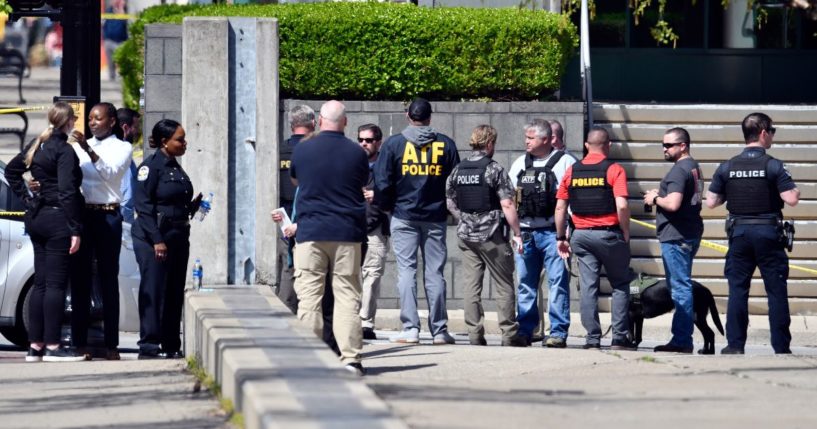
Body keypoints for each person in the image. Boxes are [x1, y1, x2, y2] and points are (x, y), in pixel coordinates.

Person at [705, 113, 800, 355]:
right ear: (763, 132)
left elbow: (711, 202)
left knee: (737, 290)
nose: (773, 136)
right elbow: (791, 199)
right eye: (772, 131)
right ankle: (781, 347)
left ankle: (735, 345)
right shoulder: (774, 165)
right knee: (776, 291)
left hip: (739, 234)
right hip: (768, 232)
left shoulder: (727, 166)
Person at [290, 100, 368, 375]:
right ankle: (351, 359)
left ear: (319, 120)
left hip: (311, 232)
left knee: (309, 297)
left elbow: (297, 181)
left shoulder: (302, 149)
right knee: (347, 296)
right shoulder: (357, 153)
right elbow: (360, 184)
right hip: (347, 233)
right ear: (345, 122)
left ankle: (309, 360)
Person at [374, 97, 460, 345]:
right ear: (430, 117)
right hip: (435, 218)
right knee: (435, 273)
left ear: (408, 116)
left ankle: (411, 328)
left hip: (404, 215)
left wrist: (389, 208)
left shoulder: (394, 144)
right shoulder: (445, 144)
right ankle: (440, 330)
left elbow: (382, 182)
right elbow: (454, 183)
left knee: (406, 272)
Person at [5, 102, 85, 362]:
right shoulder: (64, 151)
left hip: (37, 217)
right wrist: (75, 228)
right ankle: (52, 345)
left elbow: (12, 170)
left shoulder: (37, 145)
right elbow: (67, 191)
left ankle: (35, 345)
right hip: (57, 218)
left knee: (41, 283)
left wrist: (28, 199)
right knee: (55, 284)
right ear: (69, 121)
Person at [554, 127, 635, 350]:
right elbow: (622, 204)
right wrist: (625, 230)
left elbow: (560, 208)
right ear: (608, 145)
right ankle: (619, 337)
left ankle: (592, 338)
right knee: (620, 284)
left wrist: (561, 237)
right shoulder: (614, 169)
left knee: (588, 287)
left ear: (587, 146)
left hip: (581, 236)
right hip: (609, 234)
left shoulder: (572, 170)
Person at [445, 125, 527, 347]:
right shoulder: (494, 169)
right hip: (492, 236)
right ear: (489, 143)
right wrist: (517, 232)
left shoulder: (458, 169)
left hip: (466, 237)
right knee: (504, 284)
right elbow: (508, 203)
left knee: (471, 286)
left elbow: (450, 200)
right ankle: (509, 334)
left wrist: (464, 218)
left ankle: (474, 334)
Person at [132, 119, 202, 359]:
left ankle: (171, 343)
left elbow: (172, 202)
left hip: (178, 234)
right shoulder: (150, 168)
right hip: (154, 237)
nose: (184, 143)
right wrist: (157, 240)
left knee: (173, 290)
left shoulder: (175, 167)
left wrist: (192, 207)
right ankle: (150, 345)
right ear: (164, 142)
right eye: (179, 139)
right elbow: (143, 207)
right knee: (154, 288)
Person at [70, 102, 133, 360]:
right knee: (81, 279)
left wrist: (88, 149)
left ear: (112, 122)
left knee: (108, 278)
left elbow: (110, 173)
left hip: (108, 215)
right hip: (85, 214)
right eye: (91, 119)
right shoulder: (79, 146)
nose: (93, 123)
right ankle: (79, 343)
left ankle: (111, 344)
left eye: (98, 119)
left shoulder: (122, 147)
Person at [508, 119, 577, 347]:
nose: (526, 142)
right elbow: (510, 197)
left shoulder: (566, 162)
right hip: (526, 233)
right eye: (526, 138)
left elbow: (573, 200)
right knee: (525, 283)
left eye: (531, 138)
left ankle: (557, 332)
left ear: (546, 139)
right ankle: (525, 330)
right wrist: (515, 231)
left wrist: (567, 234)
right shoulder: (520, 162)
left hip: (553, 234)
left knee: (557, 283)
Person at [643, 127, 704, 354]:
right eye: (663, 144)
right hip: (688, 233)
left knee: (679, 288)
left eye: (668, 145)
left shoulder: (679, 170)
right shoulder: (693, 166)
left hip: (676, 236)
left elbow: (674, 204)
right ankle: (681, 338)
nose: (664, 149)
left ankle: (681, 340)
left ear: (683, 146)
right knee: (680, 285)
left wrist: (655, 197)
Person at [275, 105, 316, 313]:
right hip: (313, 218)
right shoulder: (317, 149)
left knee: (287, 268)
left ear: (291, 125)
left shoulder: (279, 149)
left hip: (284, 219)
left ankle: (286, 314)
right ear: (313, 123)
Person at [358, 123, 390, 341]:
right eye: (360, 139)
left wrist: (377, 194)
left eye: (368, 140)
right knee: (350, 276)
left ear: (378, 142)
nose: (363, 144)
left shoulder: (385, 166)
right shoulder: (351, 163)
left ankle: (365, 322)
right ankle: (350, 319)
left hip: (376, 228)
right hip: (352, 226)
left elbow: (394, 193)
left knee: (372, 275)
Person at [117, 107, 140, 223]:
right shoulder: (122, 151)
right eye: (135, 127)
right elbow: (126, 192)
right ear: (125, 127)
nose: (137, 131)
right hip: (123, 214)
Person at [102, 0, 128, 81]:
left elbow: (126, 23)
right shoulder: (108, 11)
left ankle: (122, 78)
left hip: (120, 41)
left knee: (122, 61)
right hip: (109, 40)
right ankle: (111, 77)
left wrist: (121, 9)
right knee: (110, 62)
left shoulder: (125, 11)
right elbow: (104, 24)